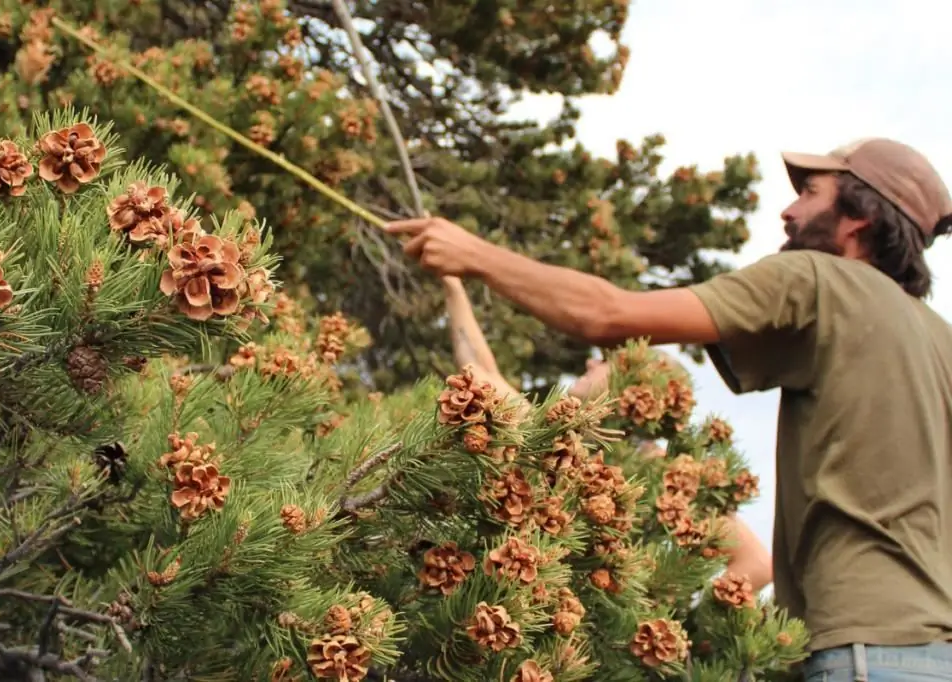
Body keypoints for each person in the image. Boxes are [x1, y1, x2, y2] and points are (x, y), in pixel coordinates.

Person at [388, 137, 952, 680]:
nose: (787, 209)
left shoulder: (820, 278)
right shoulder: (940, 342)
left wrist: (473, 254)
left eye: (811, 194)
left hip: (864, 652)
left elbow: (606, 314)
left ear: (860, 218)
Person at [440, 275, 774, 590]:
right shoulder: (551, 441)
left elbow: (756, 564)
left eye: (605, 361)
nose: (589, 364)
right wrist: (452, 282)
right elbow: (478, 368)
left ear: (637, 389)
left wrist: (677, 617)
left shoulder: (665, 478)